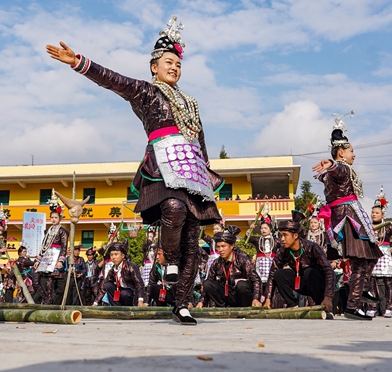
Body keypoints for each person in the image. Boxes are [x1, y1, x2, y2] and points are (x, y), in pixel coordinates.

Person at [46, 17, 223, 325]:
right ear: (154, 66)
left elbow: (199, 137)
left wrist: (207, 168)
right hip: (163, 163)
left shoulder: (191, 103)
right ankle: (170, 259)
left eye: (178, 64)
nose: (174, 68)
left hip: (192, 167)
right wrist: (79, 62)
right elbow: (112, 79)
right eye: (169, 62)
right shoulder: (144, 92)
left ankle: (181, 303)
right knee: (173, 208)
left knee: (194, 236)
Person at [312, 116, 382, 320]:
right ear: (342, 152)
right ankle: (353, 304)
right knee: (362, 261)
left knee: (370, 257)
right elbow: (338, 169)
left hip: (348, 216)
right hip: (349, 219)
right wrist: (332, 163)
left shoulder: (336, 172)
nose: (355, 154)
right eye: (352, 151)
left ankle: (362, 291)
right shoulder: (341, 169)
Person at [265, 217, 335, 315]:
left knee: (309, 272)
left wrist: (328, 297)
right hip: (302, 283)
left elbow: (329, 271)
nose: (282, 239)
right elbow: (272, 273)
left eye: (285, 235)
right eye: (281, 236)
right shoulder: (282, 251)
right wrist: (268, 298)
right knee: (278, 274)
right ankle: (292, 306)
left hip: (318, 284)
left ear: (295, 235)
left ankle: (324, 308)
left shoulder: (312, 247)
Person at [369, 187, 392, 318]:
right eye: (373, 212)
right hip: (372, 254)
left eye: (377, 213)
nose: (374, 214)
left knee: (388, 283)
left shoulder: (388, 226)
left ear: (383, 214)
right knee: (371, 282)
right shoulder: (367, 226)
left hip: (385, 255)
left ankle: (389, 308)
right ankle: (372, 307)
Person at [203, 227, 262, 308]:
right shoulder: (216, 262)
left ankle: (245, 309)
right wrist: (202, 302)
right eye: (218, 247)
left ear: (231, 246)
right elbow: (210, 280)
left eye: (223, 246)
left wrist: (256, 299)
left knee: (242, 285)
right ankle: (223, 309)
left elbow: (256, 280)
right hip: (226, 296)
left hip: (241, 296)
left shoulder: (243, 260)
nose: (220, 250)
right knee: (207, 283)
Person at [101, 241, 147, 307]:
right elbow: (103, 287)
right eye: (111, 255)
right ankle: (116, 308)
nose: (113, 257)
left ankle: (130, 308)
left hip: (132, 294)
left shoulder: (131, 267)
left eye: (116, 254)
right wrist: (95, 303)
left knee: (125, 293)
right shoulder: (112, 270)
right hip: (120, 292)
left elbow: (139, 283)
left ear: (123, 256)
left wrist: (140, 300)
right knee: (108, 285)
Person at [248, 218, 278, 298]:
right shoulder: (257, 240)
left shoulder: (276, 240)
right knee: (259, 283)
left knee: (271, 283)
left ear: (270, 229)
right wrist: (250, 229)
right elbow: (247, 239)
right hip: (260, 264)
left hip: (271, 263)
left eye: (265, 228)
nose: (263, 230)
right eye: (261, 228)